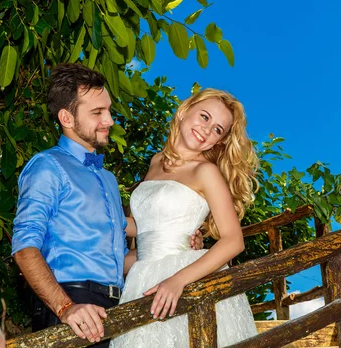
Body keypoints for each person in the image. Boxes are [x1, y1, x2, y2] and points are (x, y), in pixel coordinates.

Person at [11, 63, 202, 347]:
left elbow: (120, 261)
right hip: (70, 306)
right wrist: (65, 308)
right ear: (66, 117)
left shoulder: (108, 180)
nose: (110, 120)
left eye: (108, 110)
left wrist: (176, 244)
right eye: (97, 112)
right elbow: (25, 248)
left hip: (117, 307)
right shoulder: (47, 166)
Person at [110, 88, 259, 347]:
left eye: (217, 130)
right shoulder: (156, 162)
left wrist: (177, 281)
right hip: (142, 275)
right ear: (184, 111)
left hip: (184, 277)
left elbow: (234, 241)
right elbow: (145, 227)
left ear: (219, 142)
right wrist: (101, 220)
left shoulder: (206, 171)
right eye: (204, 117)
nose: (207, 129)